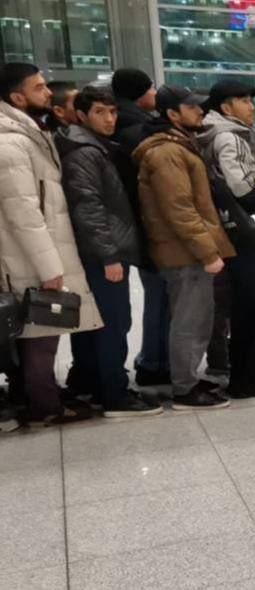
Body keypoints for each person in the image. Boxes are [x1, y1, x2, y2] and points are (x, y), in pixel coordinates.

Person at [0, 63, 102, 425]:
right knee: (41, 334)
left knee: (40, 333)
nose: (47, 92)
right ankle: (45, 407)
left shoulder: (28, 133)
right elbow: (23, 212)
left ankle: (39, 397)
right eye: (39, 87)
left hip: (37, 251)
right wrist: (49, 268)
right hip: (28, 258)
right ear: (17, 97)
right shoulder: (10, 143)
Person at [57, 85, 162, 418]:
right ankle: (114, 394)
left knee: (97, 322)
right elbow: (88, 208)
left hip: (101, 250)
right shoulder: (85, 153)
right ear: (82, 115)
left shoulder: (93, 147)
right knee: (112, 323)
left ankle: (91, 384)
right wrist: (109, 256)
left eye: (113, 111)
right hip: (103, 253)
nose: (109, 119)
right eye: (100, 112)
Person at [132, 85, 235, 410]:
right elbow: (179, 208)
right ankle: (184, 388)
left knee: (198, 318)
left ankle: (187, 377)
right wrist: (207, 251)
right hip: (184, 251)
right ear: (172, 114)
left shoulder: (178, 145)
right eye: (191, 107)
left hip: (187, 249)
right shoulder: (166, 152)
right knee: (190, 321)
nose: (200, 111)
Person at [197, 80, 255, 398]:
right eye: (244, 101)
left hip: (230, 233)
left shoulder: (209, 134)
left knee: (246, 311)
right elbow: (246, 190)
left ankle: (242, 377)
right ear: (226, 107)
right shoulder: (229, 137)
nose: (252, 106)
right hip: (249, 233)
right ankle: (251, 375)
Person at [112, 67, 170, 387]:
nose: (154, 94)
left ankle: (153, 359)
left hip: (129, 222)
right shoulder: (138, 130)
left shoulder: (117, 125)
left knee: (155, 294)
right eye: (150, 88)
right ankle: (155, 362)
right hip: (147, 223)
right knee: (161, 294)